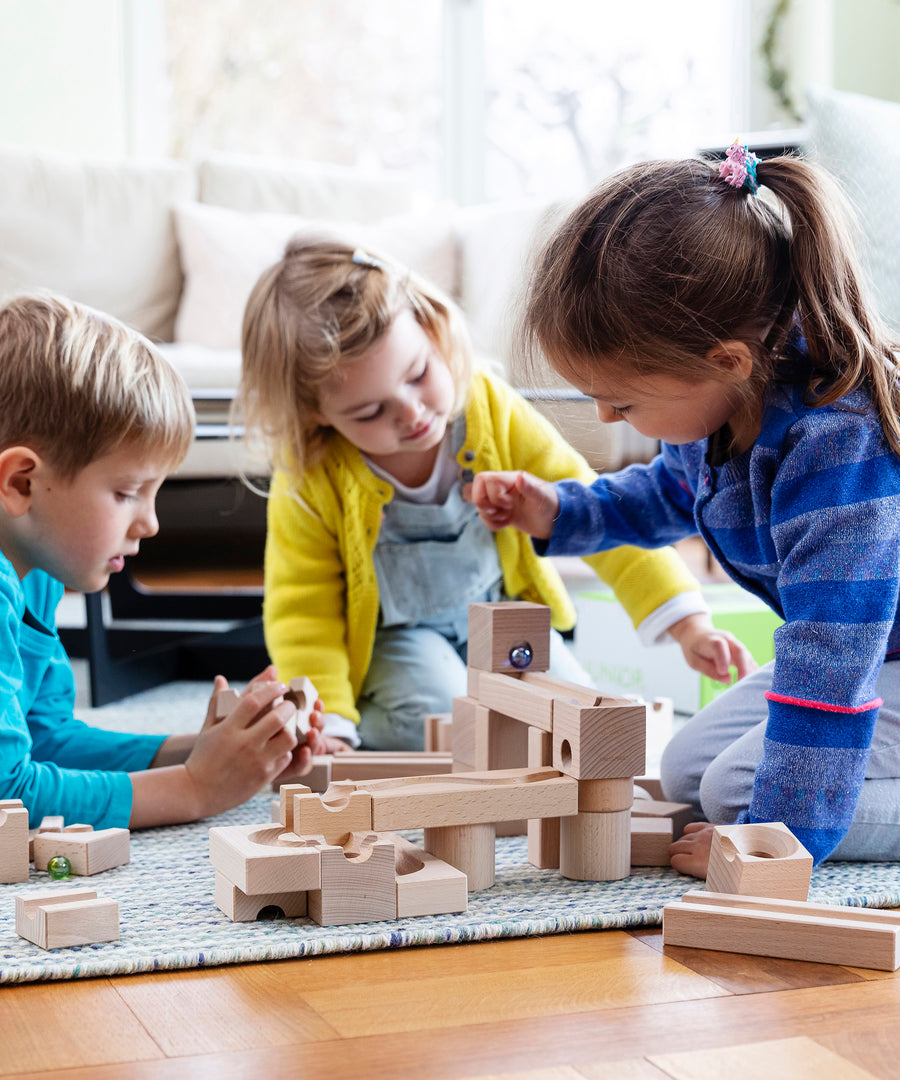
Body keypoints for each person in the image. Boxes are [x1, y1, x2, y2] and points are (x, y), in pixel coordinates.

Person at [468, 143, 900, 876]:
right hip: (876, 652)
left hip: (863, 651)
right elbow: (671, 497)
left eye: (624, 400)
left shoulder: (839, 450)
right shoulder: (725, 407)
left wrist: (771, 843)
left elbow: (830, 664)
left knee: (739, 795)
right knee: (687, 770)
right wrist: (560, 514)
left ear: (728, 360)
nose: (606, 417)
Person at [236, 236, 753, 753]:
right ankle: (375, 714)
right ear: (316, 413)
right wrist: (331, 722)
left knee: (576, 714)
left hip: (504, 615)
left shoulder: (487, 407)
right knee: (443, 719)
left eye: (419, 374)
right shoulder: (311, 473)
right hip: (399, 641)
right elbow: (303, 609)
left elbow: (596, 511)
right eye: (370, 412)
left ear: (434, 331)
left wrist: (686, 622)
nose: (413, 413)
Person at [0, 293, 320, 831]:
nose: (149, 523)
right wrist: (194, 789)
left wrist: (212, 752)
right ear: (21, 483)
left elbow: (47, 738)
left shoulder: (36, 576)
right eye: (128, 492)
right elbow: (8, 794)